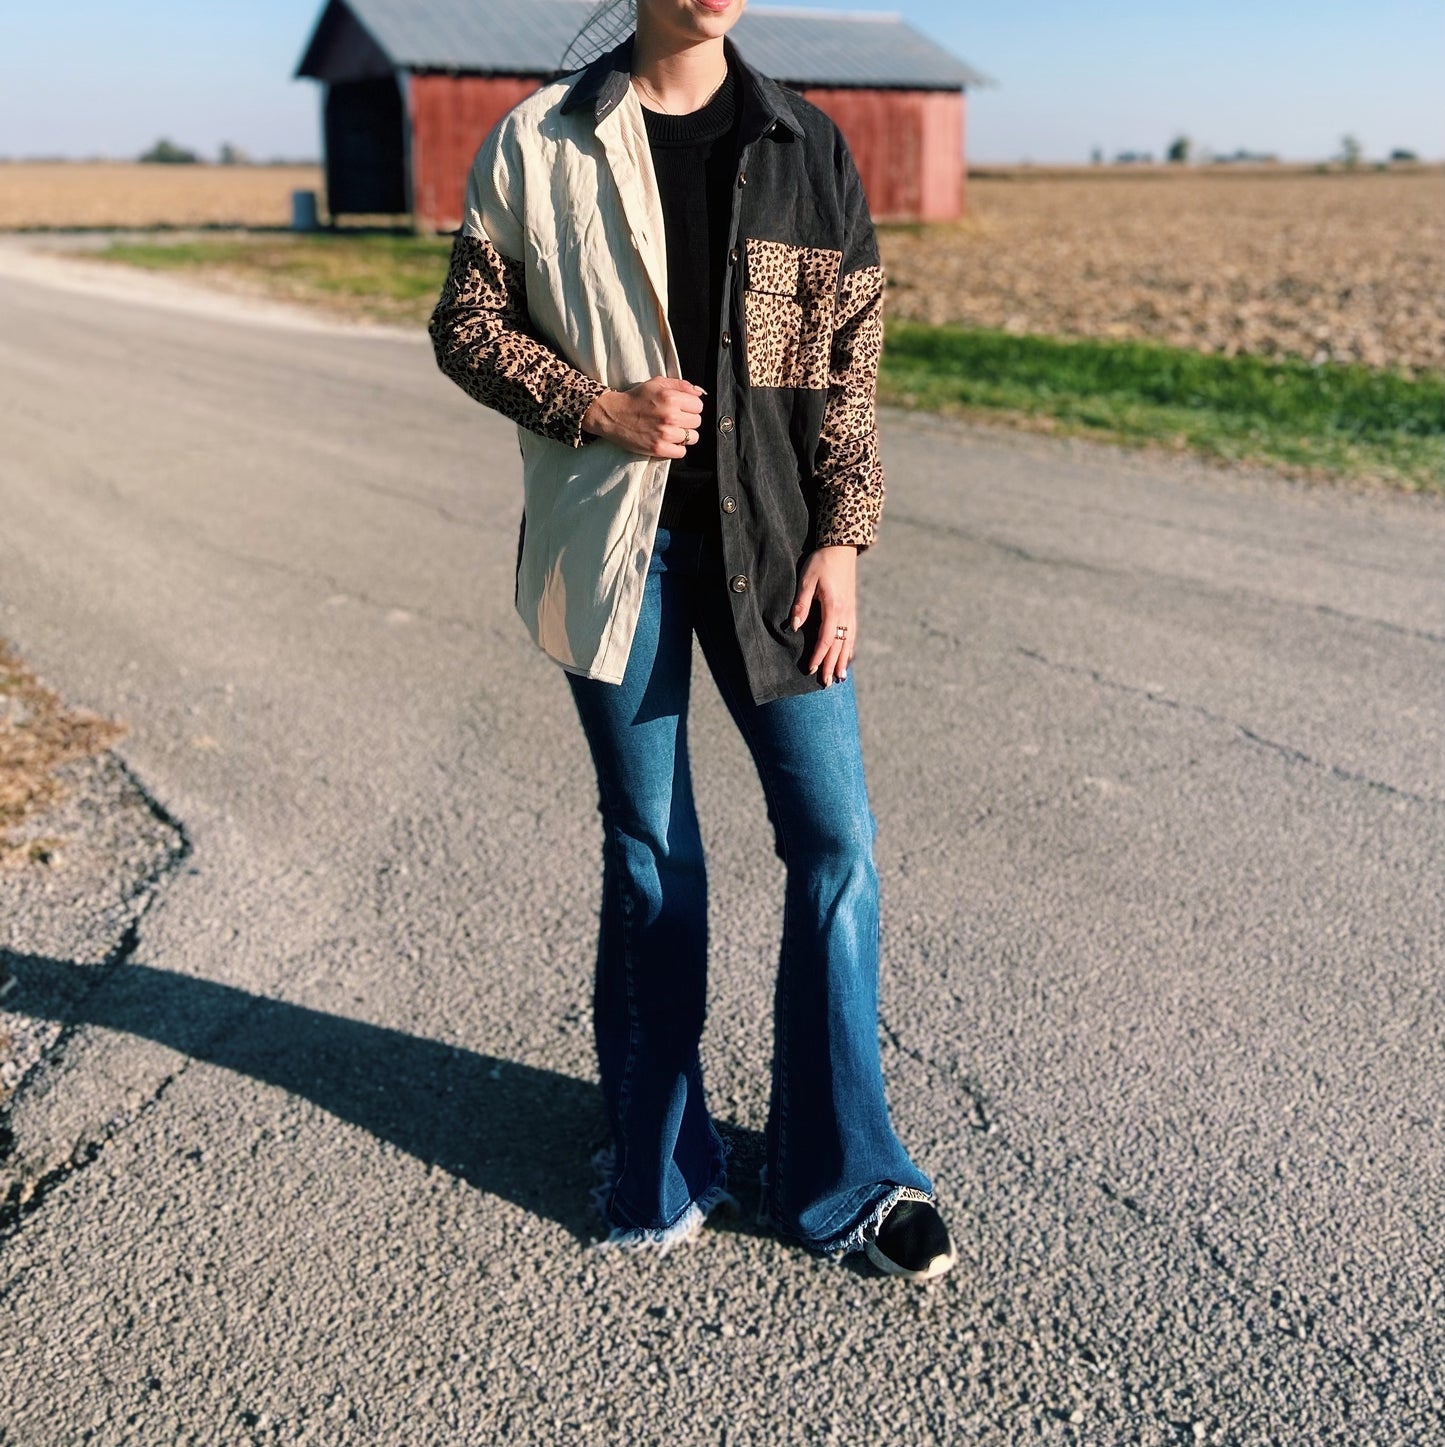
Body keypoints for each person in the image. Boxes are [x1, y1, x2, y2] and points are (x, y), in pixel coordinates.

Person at [428, 0, 954, 1282]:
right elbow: (464, 325)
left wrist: (843, 541)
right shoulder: (538, 140)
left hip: (774, 549)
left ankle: (845, 1174)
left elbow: (848, 361)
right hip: (622, 550)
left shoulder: (804, 144)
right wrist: (594, 404)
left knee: (832, 838)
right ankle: (660, 1156)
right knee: (654, 848)